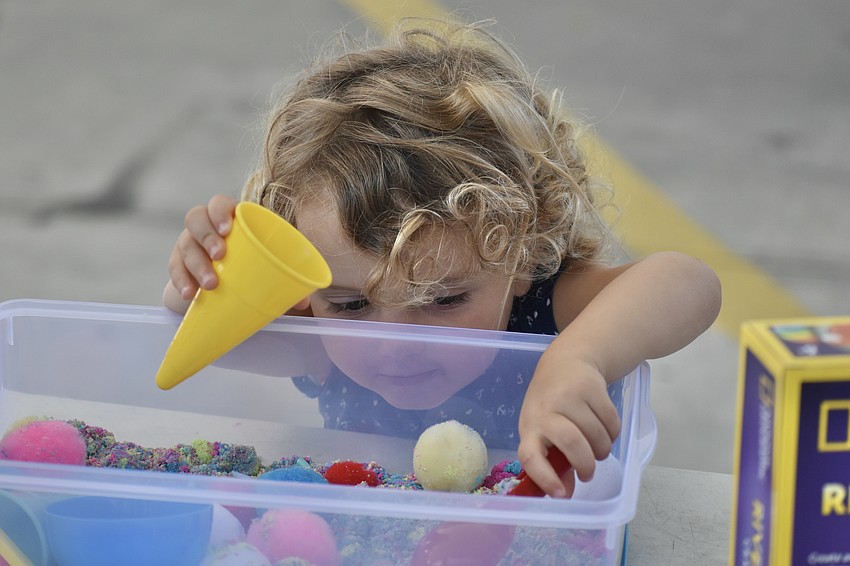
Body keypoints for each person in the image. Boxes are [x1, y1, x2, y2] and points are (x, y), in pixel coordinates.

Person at [163, 21, 721, 498]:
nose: (395, 344)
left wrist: (577, 359)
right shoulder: (323, 344)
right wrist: (205, 278)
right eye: (352, 304)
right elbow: (198, 340)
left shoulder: (543, 312)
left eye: (444, 299)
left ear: (521, 254)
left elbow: (688, 282)